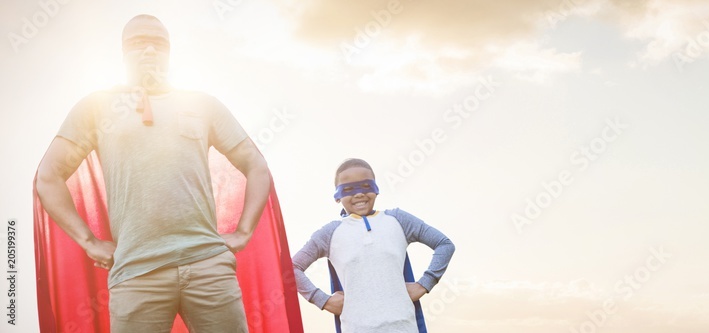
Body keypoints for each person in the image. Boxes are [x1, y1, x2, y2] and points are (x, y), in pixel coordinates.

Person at [34, 14, 270, 332]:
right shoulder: (96, 107)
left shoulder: (203, 105)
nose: (149, 50)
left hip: (208, 265)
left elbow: (256, 165)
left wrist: (243, 232)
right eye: (137, 43)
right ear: (122, 53)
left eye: (158, 43)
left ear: (169, 52)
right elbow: (48, 176)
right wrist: (88, 241)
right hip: (135, 272)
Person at [293, 158, 456, 332]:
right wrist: (321, 299)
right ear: (337, 197)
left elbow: (444, 244)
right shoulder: (330, 233)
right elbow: (292, 267)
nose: (358, 194)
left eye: (365, 186)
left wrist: (425, 283)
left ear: (376, 189)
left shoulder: (398, 220)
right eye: (348, 189)